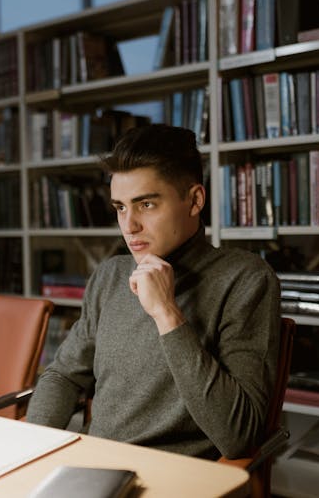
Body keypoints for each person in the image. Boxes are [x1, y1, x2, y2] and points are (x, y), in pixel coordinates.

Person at [26, 124, 280, 460]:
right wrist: (30, 446)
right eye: (120, 207)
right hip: (93, 465)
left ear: (194, 200)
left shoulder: (245, 279)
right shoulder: (110, 276)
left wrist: (167, 313)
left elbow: (238, 435)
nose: (129, 226)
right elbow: (63, 376)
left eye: (146, 205)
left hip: (174, 477)